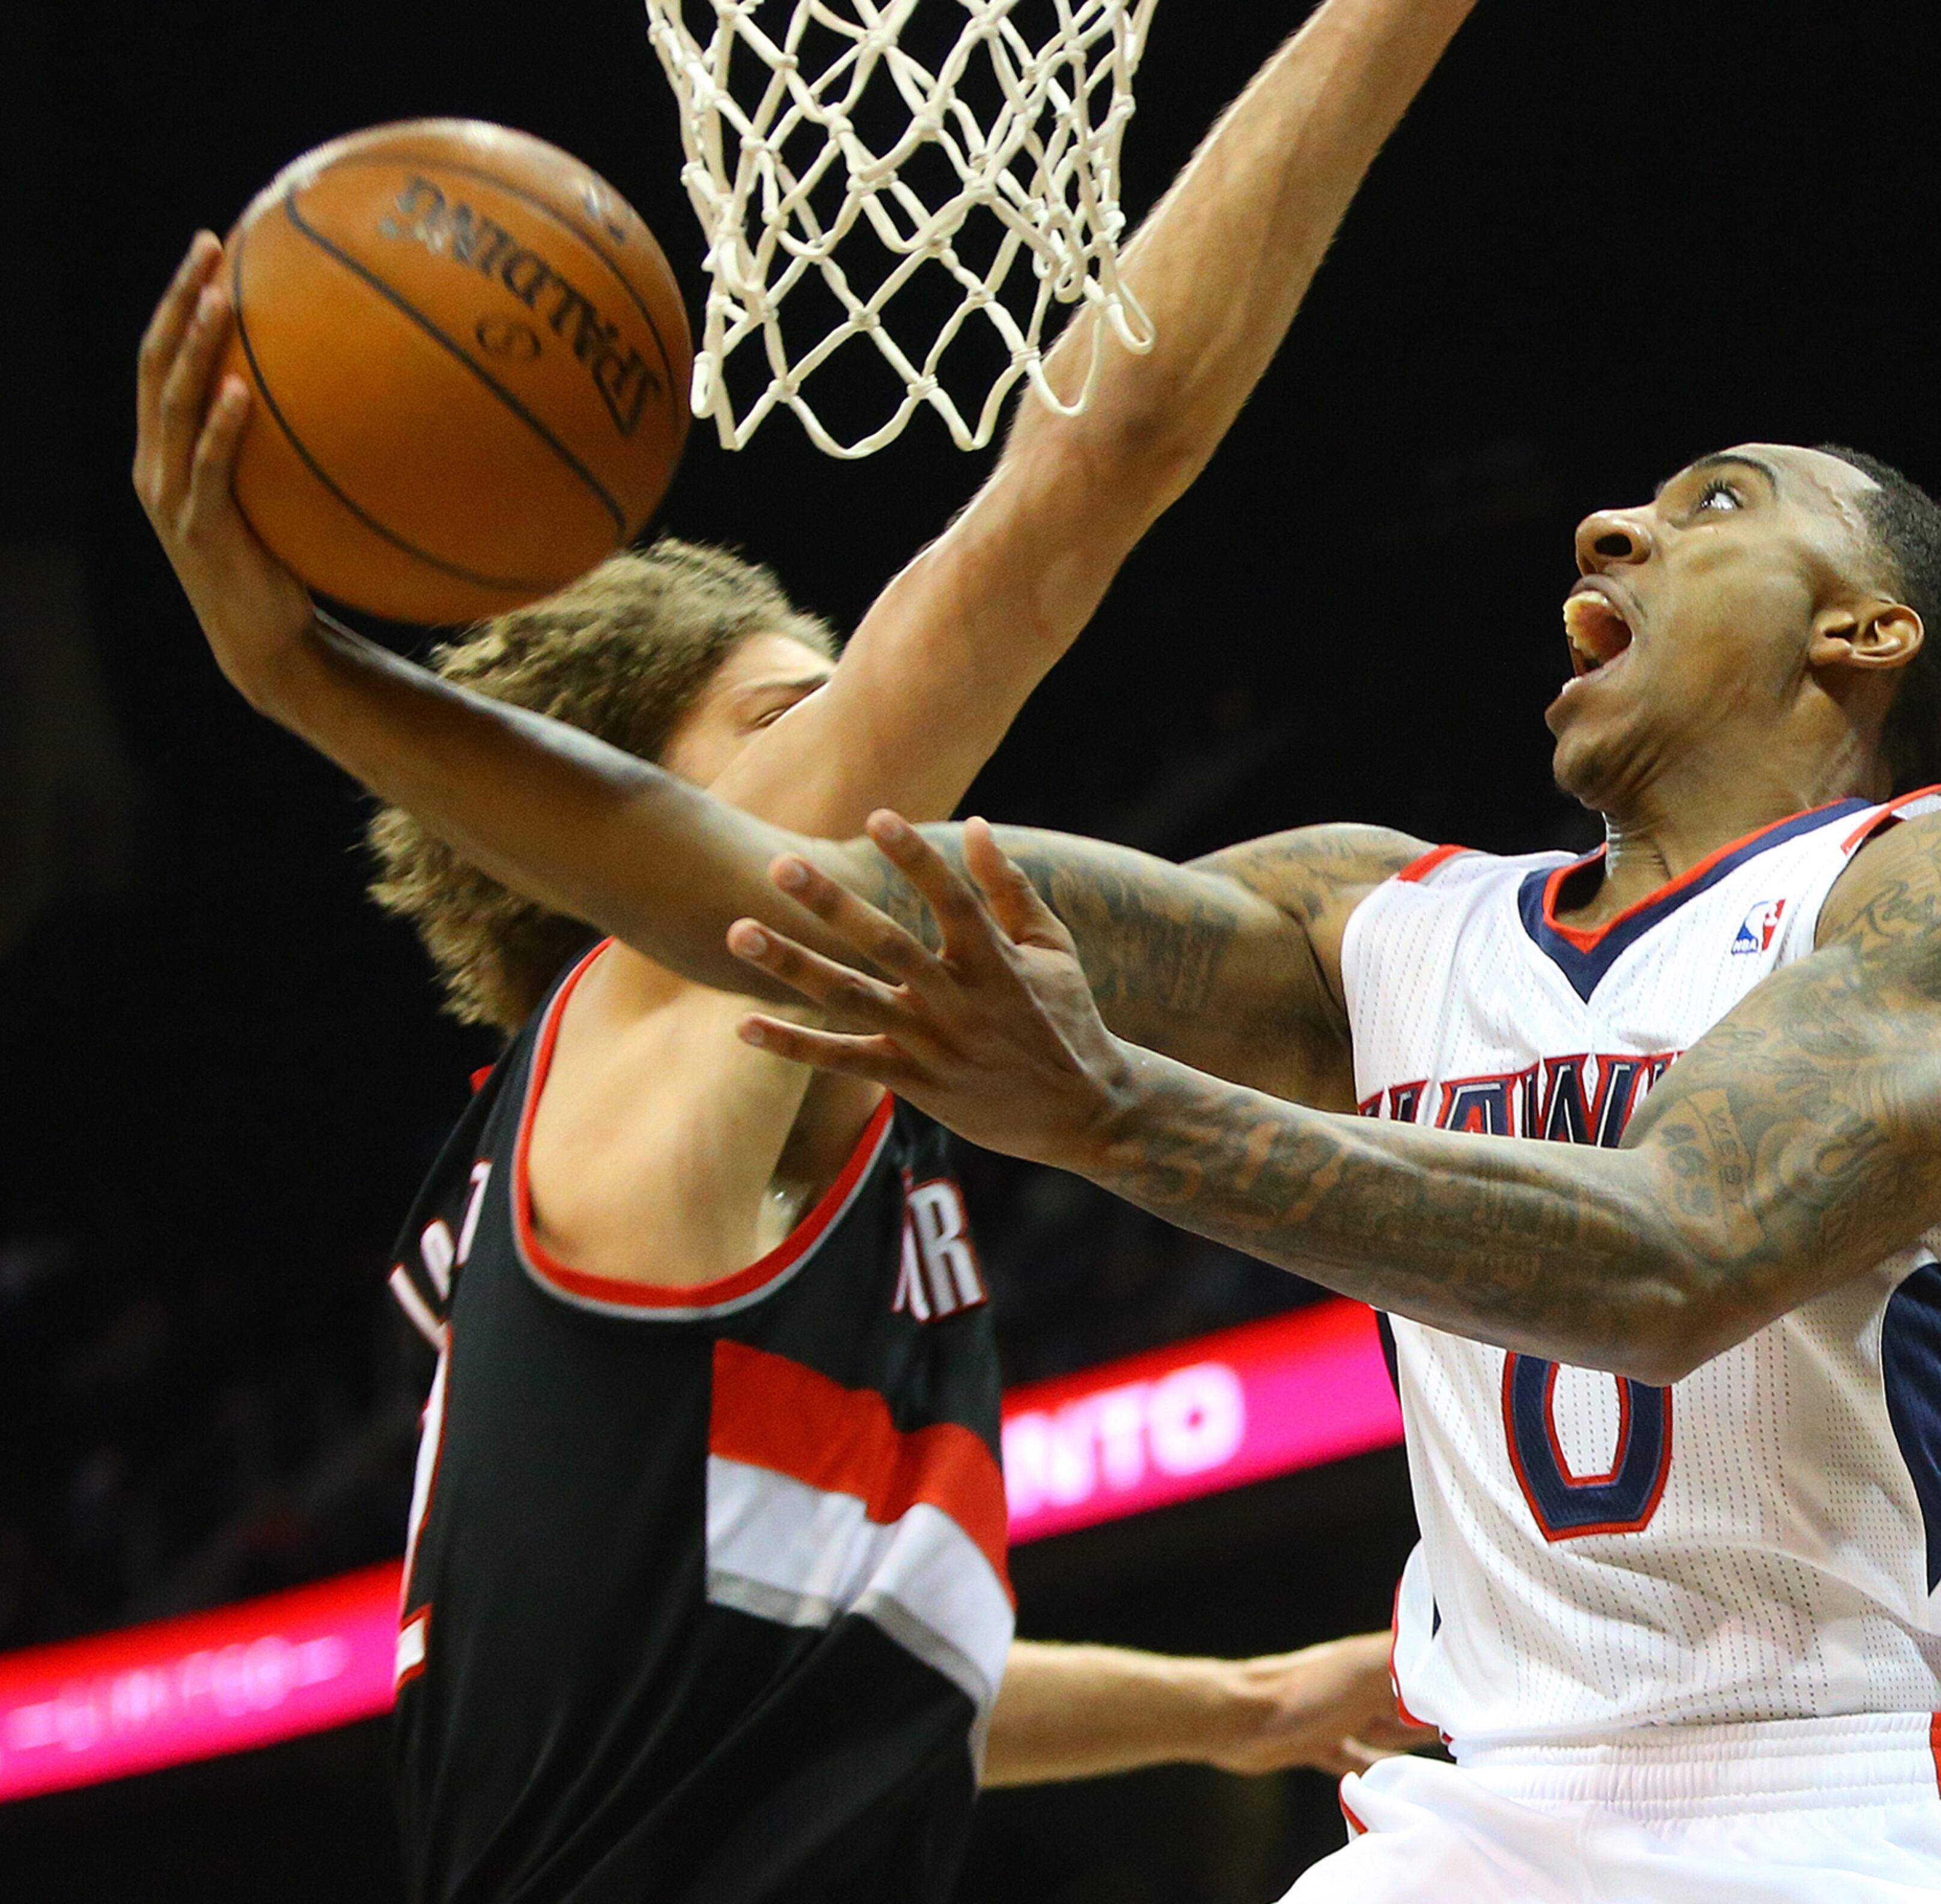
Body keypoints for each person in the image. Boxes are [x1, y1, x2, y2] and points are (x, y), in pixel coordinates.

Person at [159, 425, 1941, 1892]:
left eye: (1721, 502)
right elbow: (782, 884)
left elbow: (1671, 1258)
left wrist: (1113, 1114)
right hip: (1474, 1819)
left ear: (1867, 629)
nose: (1615, 519)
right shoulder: (1382, 924)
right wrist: (314, 677)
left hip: (1869, 1798)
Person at [133, 0, 1468, 1896]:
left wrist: (1238, 1706)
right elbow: (1099, 461)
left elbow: (827, 1671)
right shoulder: (671, 994)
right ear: (611, 814)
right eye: (794, 718)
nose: (872, 762)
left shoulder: (695, 1142)